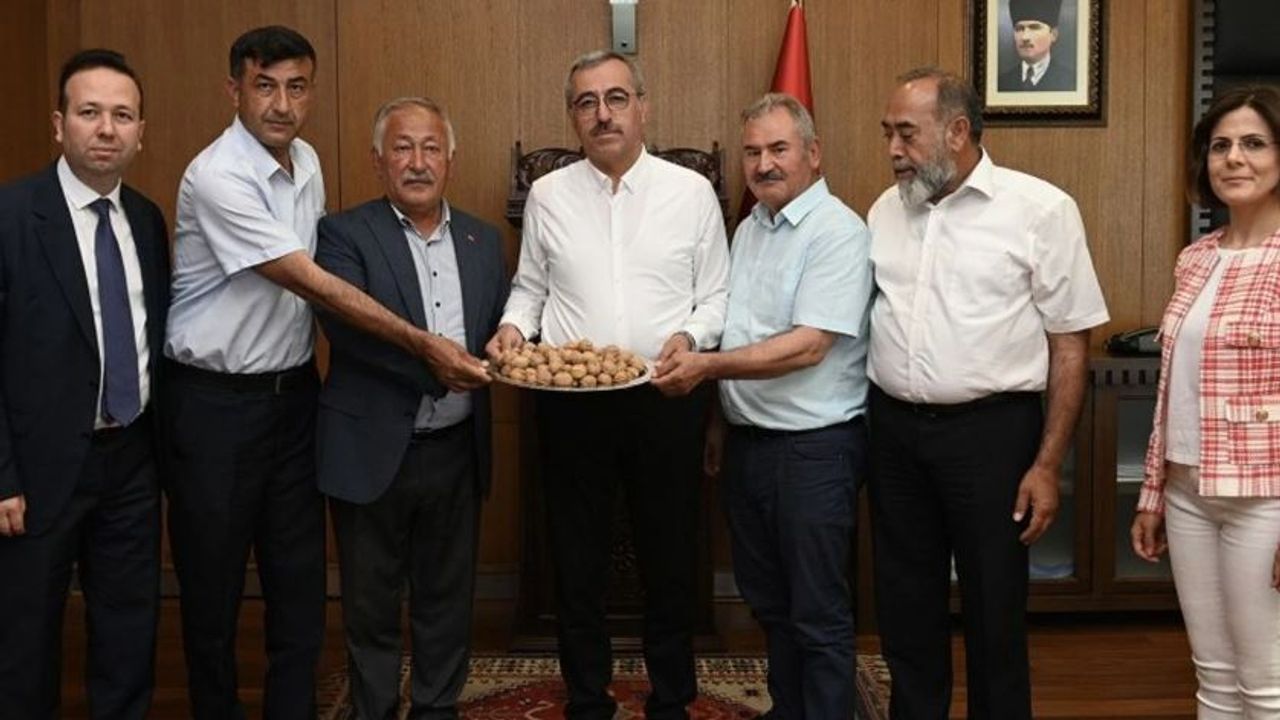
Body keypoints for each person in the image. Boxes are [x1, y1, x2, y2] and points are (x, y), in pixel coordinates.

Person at [164, 26, 488, 719]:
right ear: (234, 90)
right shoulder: (217, 176)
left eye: (296, 87)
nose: (281, 104)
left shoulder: (306, 161)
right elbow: (309, 280)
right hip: (215, 404)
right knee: (214, 593)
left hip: (294, 402)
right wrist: (424, 345)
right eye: (264, 86)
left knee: (300, 592)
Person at [486, 49, 729, 720]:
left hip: (666, 398)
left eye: (617, 98)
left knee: (670, 558)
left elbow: (715, 295)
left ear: (642, 107)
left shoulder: (691, 193)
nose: (603, 114)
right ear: (572, 116)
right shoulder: (548, 195)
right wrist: (511, 328)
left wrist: (693, 338)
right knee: (576, 560)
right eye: (587, 102)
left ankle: (672, 699)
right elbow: (530, 288)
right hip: (571, 409)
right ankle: (587, 699)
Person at [868, 67, 1108, 719]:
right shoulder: (886, 210)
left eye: (907, 134)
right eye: (888, 133)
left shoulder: (1041, 210)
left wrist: (1048, 464)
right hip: (894, 434)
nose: (893, 150)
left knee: (994, 610)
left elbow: (1070, 344)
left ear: (957, 131)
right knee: (905, 607)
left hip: (992, 436)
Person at [652, 92, 872, 719]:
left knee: (818, 613)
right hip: (750, 447)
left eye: (778, 148)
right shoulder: (750, 229)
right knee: (771, 604)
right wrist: (720, 421)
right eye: (752, 152)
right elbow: (738, 328)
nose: (764, 164)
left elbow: (809, 345)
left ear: (813, 153)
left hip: (815, 452)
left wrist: (705, 370)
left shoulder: (838, 233)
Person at [315, 96, 508, 719]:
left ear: (450, 158)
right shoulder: (342, 235)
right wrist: (437, 365)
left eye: (430, 148)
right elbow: (347, 330)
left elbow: (501, 326)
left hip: (455, 453)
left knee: (446, 601)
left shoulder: (483, 240)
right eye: (402, 148)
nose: (417, 162)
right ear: (378, 160)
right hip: (370, 452)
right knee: (371, 606)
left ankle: (435, 709)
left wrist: (511, 346)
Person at [0, 49, 169, 719]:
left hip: (130, 461)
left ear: (140, 132)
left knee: (129, 636)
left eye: (122, 116)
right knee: (24, 644)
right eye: (90, 112)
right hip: (34, 471)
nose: (106, 129)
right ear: (58, 123)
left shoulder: (147, 221)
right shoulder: (12, 216)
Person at [1131, 85, 1280, 719]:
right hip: (1188, 492)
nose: (1234, 158)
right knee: (1214, 678)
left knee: (1267, 685)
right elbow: (1173, 389)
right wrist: (1153, 495)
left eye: (1254, 143)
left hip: (1265, 500)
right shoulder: (1195, 259)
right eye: (1220, 146)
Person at [996, 0, 1076, 92]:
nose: (1025, 37)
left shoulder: (1071, 82)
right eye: (1019, 29)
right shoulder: (1000, 83)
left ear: (1053, 34)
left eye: (1034, 28)